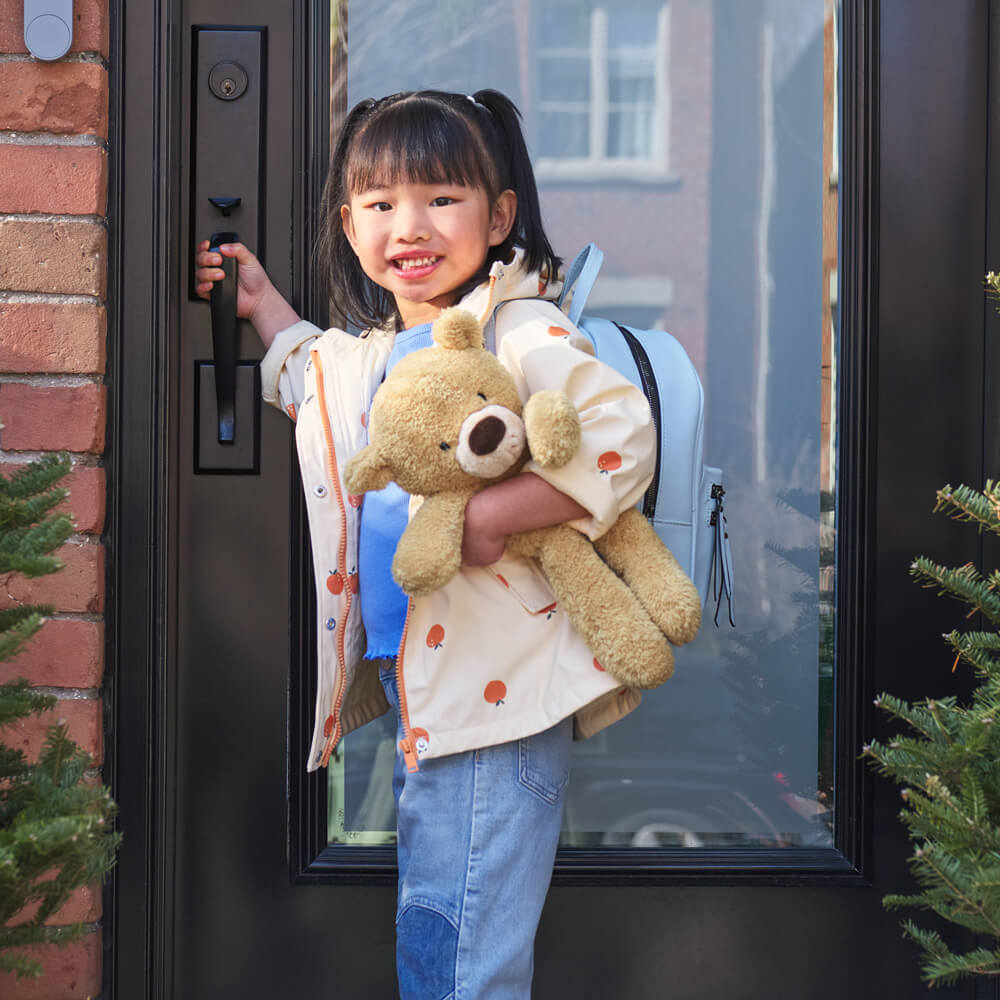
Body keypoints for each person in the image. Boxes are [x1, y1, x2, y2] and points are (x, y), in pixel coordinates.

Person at [195, 89, 656, 1000]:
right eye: (379, 205)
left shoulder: (521, 327)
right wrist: (259, 306)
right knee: (440, 927)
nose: (410, 225)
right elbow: (312, 381)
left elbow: (620, 436)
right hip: (433, 696)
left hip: (500, 701)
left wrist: (491, 515)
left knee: (462, 953)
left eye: (442, 198)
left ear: (500, 216)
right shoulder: (379, 351)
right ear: (350, 222)